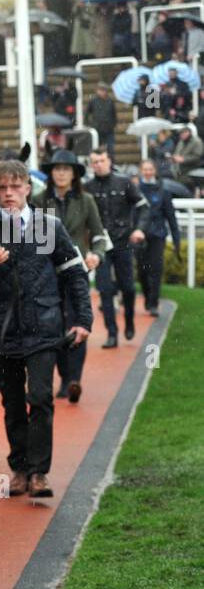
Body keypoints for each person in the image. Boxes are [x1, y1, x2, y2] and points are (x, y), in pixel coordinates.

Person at [0, 160, 92, 500]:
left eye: (15, 187)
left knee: (41, 398)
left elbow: (75, 274)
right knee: (13, 403)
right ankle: (19, 469)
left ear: (27, 189)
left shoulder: (51, 227)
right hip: (3, 332)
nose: (8, 194)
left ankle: (39, 473)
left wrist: (83, 319)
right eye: (1, 188)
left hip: (45, 328)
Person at [33, 150, 107, 403]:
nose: (61, 173)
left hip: (76, 273)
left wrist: (97, 254)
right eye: (57, 168)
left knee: (78, 323)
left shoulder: (86, 200)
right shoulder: (38, 200)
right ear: (51, 173)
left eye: (66, 168)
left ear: (74, 173)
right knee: (55, 325)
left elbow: (98, 235)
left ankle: (73, 379)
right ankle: (63, 375)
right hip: (47, 275)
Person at [85, 149, 147, 347]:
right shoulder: (87, 188)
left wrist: (139, 229)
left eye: (101, 161)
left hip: (122, 242)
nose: (98, 165)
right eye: (94, 162)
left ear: (109, 161)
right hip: (100, 245)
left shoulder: (124, 182)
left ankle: (129, 320)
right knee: (104, 288)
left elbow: (143, 207)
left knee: (128, 288)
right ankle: (112, 333)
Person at [132, 158, 181, 318]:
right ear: (141, 171)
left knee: (155, 269)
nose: (147, 172)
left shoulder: (163, 191)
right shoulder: (134, 190)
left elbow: (171, 217)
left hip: (157, 235)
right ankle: (147, 297)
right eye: (144, 169)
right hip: (139, 236)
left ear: (154, 171)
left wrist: (176, 240)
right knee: (142, 271)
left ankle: (153, 303)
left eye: (150, 169)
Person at [85, 82, 117, 156]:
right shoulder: (93, 101)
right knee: (96, 148)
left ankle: (110, 163)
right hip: (97, 129)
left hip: (109, 129)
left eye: (103, 90)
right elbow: (86, 114)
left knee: (110, 148)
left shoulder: (110, 101)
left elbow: (114, 114)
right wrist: (89, 124)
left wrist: (113, 125)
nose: (102, 92)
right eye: (100, 90)